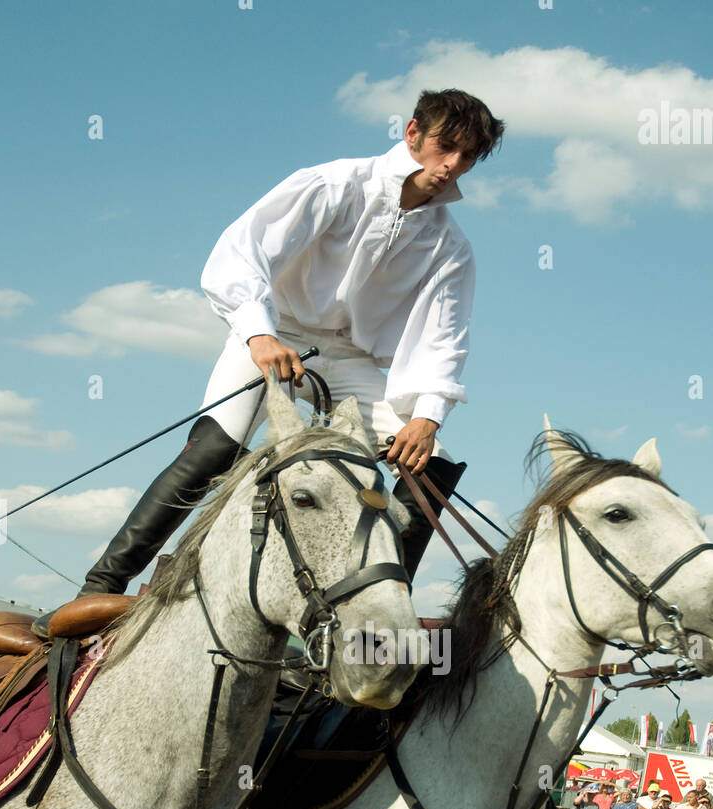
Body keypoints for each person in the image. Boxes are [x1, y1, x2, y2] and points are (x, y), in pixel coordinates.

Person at [33, 89, 505, 638]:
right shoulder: (335, 184)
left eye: (467, 156)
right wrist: (258, 334)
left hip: (348, 358)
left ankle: (372, 629)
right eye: (445, 146)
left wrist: (427, 415)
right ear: (412, 134)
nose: (451, 165)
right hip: (273, 336)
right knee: (215, 448)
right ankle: (98, 589)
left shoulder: (451, 246)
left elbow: (443, 337)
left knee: (432, 467)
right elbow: (240, 252)